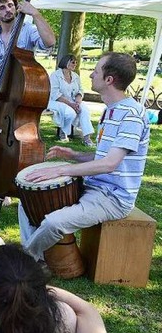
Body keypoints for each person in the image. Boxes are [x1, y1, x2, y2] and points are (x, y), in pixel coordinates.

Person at [19, 52, 149, 261]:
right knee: (28, 197)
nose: (90, 75)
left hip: (113, 198)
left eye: (96, 71)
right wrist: (74, 154)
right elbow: (103, 156)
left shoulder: (130, 115)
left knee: (54, 223)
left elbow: (110, 164)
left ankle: (24, 259)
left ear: (109, 80)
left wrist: (61, 169)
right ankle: (37, 258)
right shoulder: (111, 110)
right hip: (93, 187)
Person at [0, 0, 56, 205]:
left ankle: (12, 184)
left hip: (17, 98)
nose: (8, 10)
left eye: (11, 5)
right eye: (2, 7)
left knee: (14, 144)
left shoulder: (28, 31)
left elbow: (49, 42)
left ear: (16, 7)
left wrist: (36, 14)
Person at [49, 54, 95, 146]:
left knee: (84, 110)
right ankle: (63, 132)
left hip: (73, 101)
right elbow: (55, 94)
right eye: (73, 62)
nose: (75, 64)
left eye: (76, 62)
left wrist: (78, 102)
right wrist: (71, 104)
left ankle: (87, 138)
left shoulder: (75, 76)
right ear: (66, 62)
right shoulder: (55, 75)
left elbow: (80, 90)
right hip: (57, 101)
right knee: (70, 112)